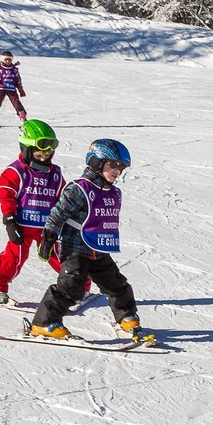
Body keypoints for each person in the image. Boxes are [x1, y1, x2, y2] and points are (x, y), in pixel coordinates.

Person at [31, 139, 147, 341]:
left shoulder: (113, 192)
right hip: (75, 249)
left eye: (121, 167)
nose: (117, 171)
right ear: (96, 162)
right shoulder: (80, 189)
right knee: (71, 288)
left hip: (98, 249)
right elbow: (58, 214)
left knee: (117, 285)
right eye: (113, 164)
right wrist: (48, 238)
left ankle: (126, 317)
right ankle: (44, 323)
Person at [0, 119, 72, 304]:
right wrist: (10, 221)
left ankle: (77, 286)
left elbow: (63, 198)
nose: (44, 157)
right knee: (15, 256)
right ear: (26, 149)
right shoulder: (15, 172)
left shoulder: (55, 174)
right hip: (22, 224)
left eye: (48, 153)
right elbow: (6, 196)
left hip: (47, 226)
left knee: (61, 255)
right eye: (39, 153)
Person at [0, 51, 28, 126]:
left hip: (11, 89)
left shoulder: (14, 69)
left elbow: (18, 80)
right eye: (6, 59)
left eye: (9, 60)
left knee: (17, 103)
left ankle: (23, 117)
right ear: (2, 59)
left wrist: (20, 89)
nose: (8, 61)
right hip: (1, 89)